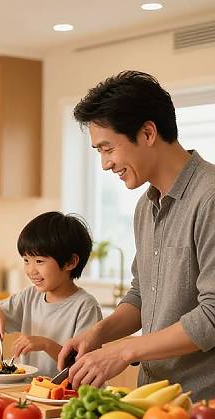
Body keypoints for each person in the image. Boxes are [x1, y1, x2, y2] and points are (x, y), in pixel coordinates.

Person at [58, 70, 215, 401]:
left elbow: (212, 316)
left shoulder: (210, 198)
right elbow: (143, 295)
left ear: (147, 133)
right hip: (154, 402)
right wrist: (99, 333)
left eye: (107, 148)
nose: (104, 164)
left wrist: (125, 351)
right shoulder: (147, 206)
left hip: (203, 406)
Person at [0, 211, 101, 376]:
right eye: (26, 260)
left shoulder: (85, 306)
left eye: (39, 261)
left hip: (71, 395)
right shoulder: (29, 296)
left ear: (70, 262)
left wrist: (45, 345)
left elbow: (83, 366)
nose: (31, 270)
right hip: (32, 391)